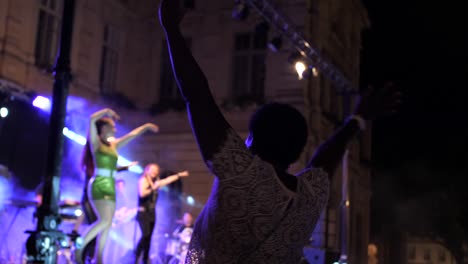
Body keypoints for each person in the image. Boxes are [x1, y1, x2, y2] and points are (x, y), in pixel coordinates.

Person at [158, 1, 401, 263]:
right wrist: (359, 118)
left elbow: (197, 94)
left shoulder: (239, 171)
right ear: (296, 154)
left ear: (250, 140)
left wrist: (170, 27)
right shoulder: (309, 197)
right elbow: (325, 158)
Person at [75, 108, 159, 264]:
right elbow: (92, 119)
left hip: (110, 185)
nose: (115, 129)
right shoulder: (96, 143)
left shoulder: (114, 145)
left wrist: (146, 127)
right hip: (99, 183)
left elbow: (131, 135)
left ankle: (97, 259)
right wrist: (107, 111)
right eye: (111, 127)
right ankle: (79, 246)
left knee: (107, 225)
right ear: (103, 129)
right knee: (104, 221)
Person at [135, 164, 189, 264]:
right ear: (147, 170)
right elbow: (142, 194)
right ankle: (136, 256)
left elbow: (168, 180)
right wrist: (152, 188)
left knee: (149, 238)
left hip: (152, 213)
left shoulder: (156, 182)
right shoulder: (143, 180)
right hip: (143, 212)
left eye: (156, 170)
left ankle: (144, 260)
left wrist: (179, 175)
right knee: (145, 235)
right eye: (152, 170)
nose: (155, 172)